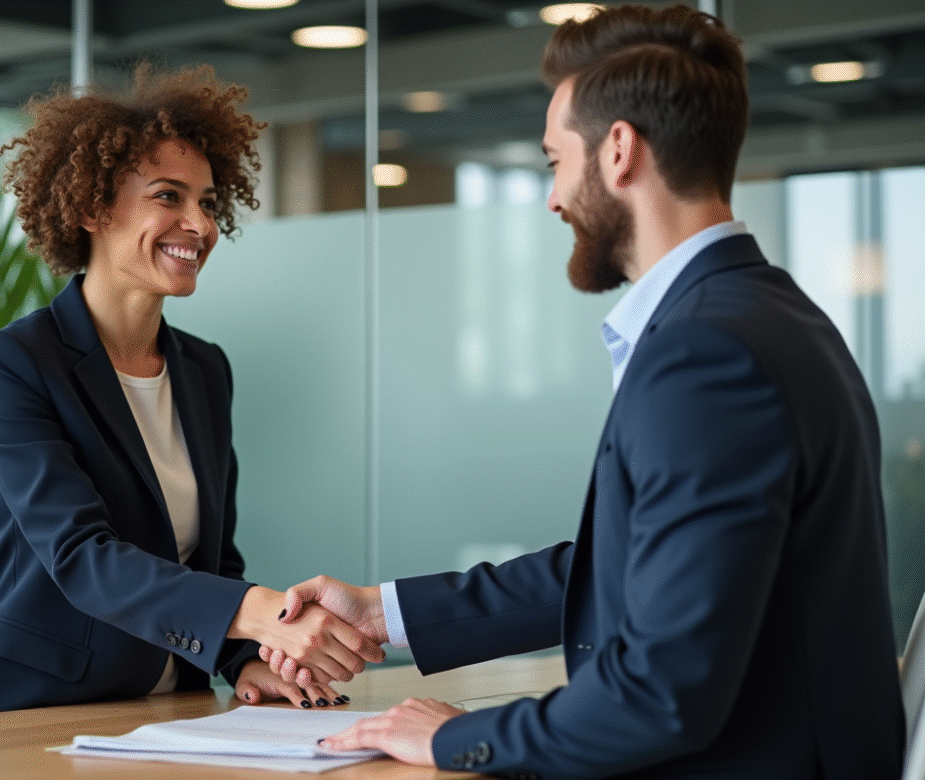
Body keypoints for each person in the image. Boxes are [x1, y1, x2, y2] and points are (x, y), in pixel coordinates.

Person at [264, 4, 906, 777]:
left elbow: (662, 695)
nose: (553, 198)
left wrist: (452, 738)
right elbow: (645, 567)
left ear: (619, 151)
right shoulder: (775, 315)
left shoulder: (705, 354)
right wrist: (385, 612)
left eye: (553, 162)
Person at [0, 63, 382, 717]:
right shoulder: (15, 362)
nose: (201, 226)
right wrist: (259, 613)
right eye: (168, 196)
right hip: (38, 712)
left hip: (175, 709)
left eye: (207, 202)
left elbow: (212, 560)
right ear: (94, 207)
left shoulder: (204, 370)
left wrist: (247, 658)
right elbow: (80, 558)